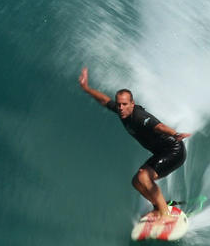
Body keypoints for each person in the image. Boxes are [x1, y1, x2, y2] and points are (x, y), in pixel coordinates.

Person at [79, 67, 191, 220]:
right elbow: (105, 100)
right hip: (161, 152)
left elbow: (159, 126)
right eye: (119, 104)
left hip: (174, 150)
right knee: (136, 182)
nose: (121, 108)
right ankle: (160, 206)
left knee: (144, 177)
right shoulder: (121, 112)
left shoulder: (139, 117)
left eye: (125, 104)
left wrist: (175, 134)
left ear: (132, 103)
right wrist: (86, 88)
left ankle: (165, 215)